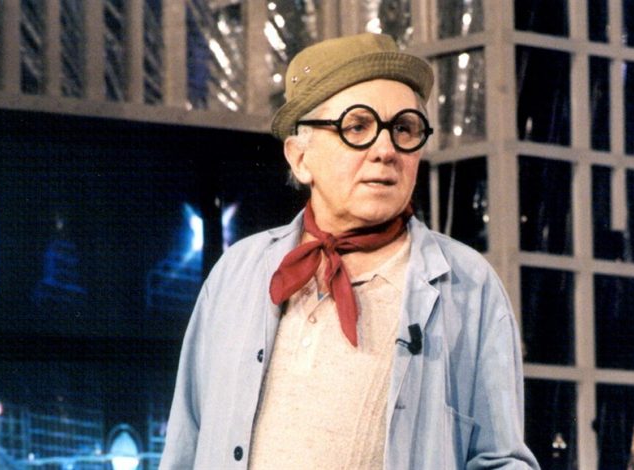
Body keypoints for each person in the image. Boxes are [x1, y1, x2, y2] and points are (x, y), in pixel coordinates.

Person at [159, 33, 539, 469]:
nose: (386, 150)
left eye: (404, 129)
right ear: (301, 158)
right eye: (357, 127)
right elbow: (185, 448)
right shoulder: (238, 273)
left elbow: (501, 460)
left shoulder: (467, 285)